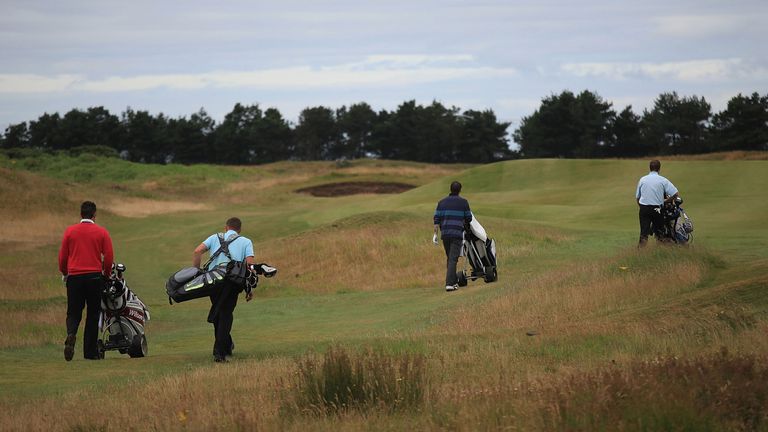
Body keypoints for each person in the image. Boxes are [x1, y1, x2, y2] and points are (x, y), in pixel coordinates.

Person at [192, 217, 255, 362]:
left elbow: (197, 251)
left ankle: (226, 345)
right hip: (233, 283)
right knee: (225, 313)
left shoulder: (215, 237)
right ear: (239, 230)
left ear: (226, 228)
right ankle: (219, 352)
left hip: (213, 280)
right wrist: (249, 288)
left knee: (218, 312)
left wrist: (195, 273)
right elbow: (250, 266)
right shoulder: (246, 241)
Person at [58, 201, 114, 361]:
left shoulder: (70, 232)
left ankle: (71, 334)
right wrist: (107, 274)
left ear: (81, 214)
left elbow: (63, 257)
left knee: (73, 312)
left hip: (74, 277)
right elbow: (109, 257)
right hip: (94, 277)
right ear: (94, 215)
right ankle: (90, 353)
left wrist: (65, 272)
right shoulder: (102, 232)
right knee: (93, 313)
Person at [433, 181, 473, 292]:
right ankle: (449, 284)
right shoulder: (463, 202)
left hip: (445, 234)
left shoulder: (441, 202)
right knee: (453, 259)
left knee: (450, 258)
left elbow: (436, 220)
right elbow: (469, 218)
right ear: (460, 190)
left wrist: (435, 234)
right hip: (456, 234)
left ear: (450, 189)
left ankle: (454, 281)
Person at [636, 159, 679, 246]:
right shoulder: (663, 180)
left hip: (644, 208)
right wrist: (666, 201)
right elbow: (675, 193)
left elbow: (637, 197)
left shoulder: (642, 179)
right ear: (659, 169)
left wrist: (642, 207)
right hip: (657, 209)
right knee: (660, 233)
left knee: (644, 234)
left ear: (650, 168)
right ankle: (660, 251)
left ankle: (640, 254)